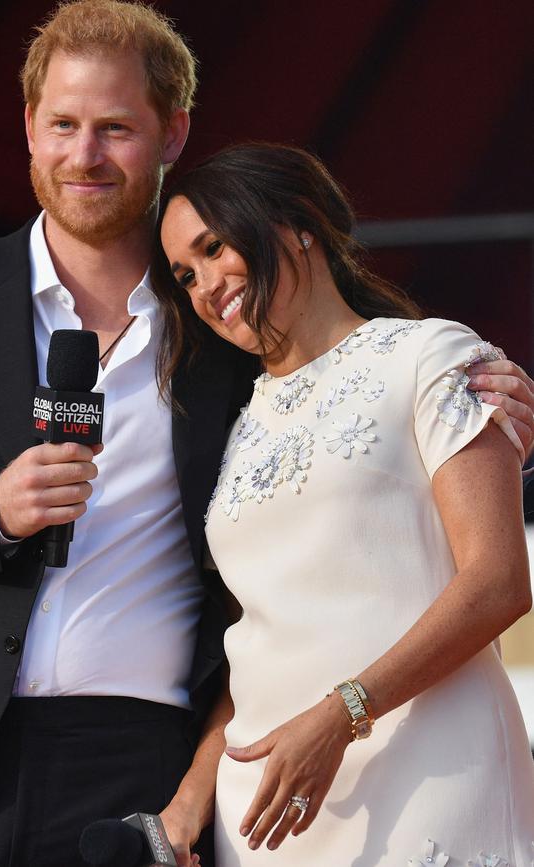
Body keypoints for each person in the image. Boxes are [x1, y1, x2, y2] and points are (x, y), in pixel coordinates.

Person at [0, 3, 531, 865]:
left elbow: (364, 398)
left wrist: (486, 402)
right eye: (64, 124)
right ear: (29, 129)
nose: (84, 155)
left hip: (145, 771)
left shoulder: (232, 338)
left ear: (172, 132)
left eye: (115, 128)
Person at [153, 142, 534, 865]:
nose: (203, 285)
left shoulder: (431, 355)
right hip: (267, 815)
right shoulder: (233, 427)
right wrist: (196, 792)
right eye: (184, 275)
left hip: (428, 776)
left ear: (299, 224)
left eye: (214, 247)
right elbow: (257, 639)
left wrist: (339, 716)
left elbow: (498, 583)